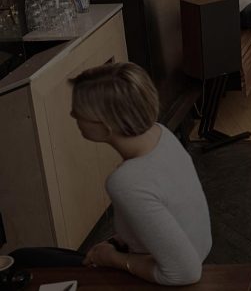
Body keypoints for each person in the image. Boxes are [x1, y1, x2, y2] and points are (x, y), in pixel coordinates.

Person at [12, 63, 212, 285]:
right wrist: (118, 242)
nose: (72, 114)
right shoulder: (160, 133)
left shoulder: (127, 181)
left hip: (163, 277)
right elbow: (167, 211)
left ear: (106, 124)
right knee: (24, 256)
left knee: (20, 261)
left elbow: (186, 272)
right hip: (193, 249)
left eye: (79, 110)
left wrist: (112, 259)